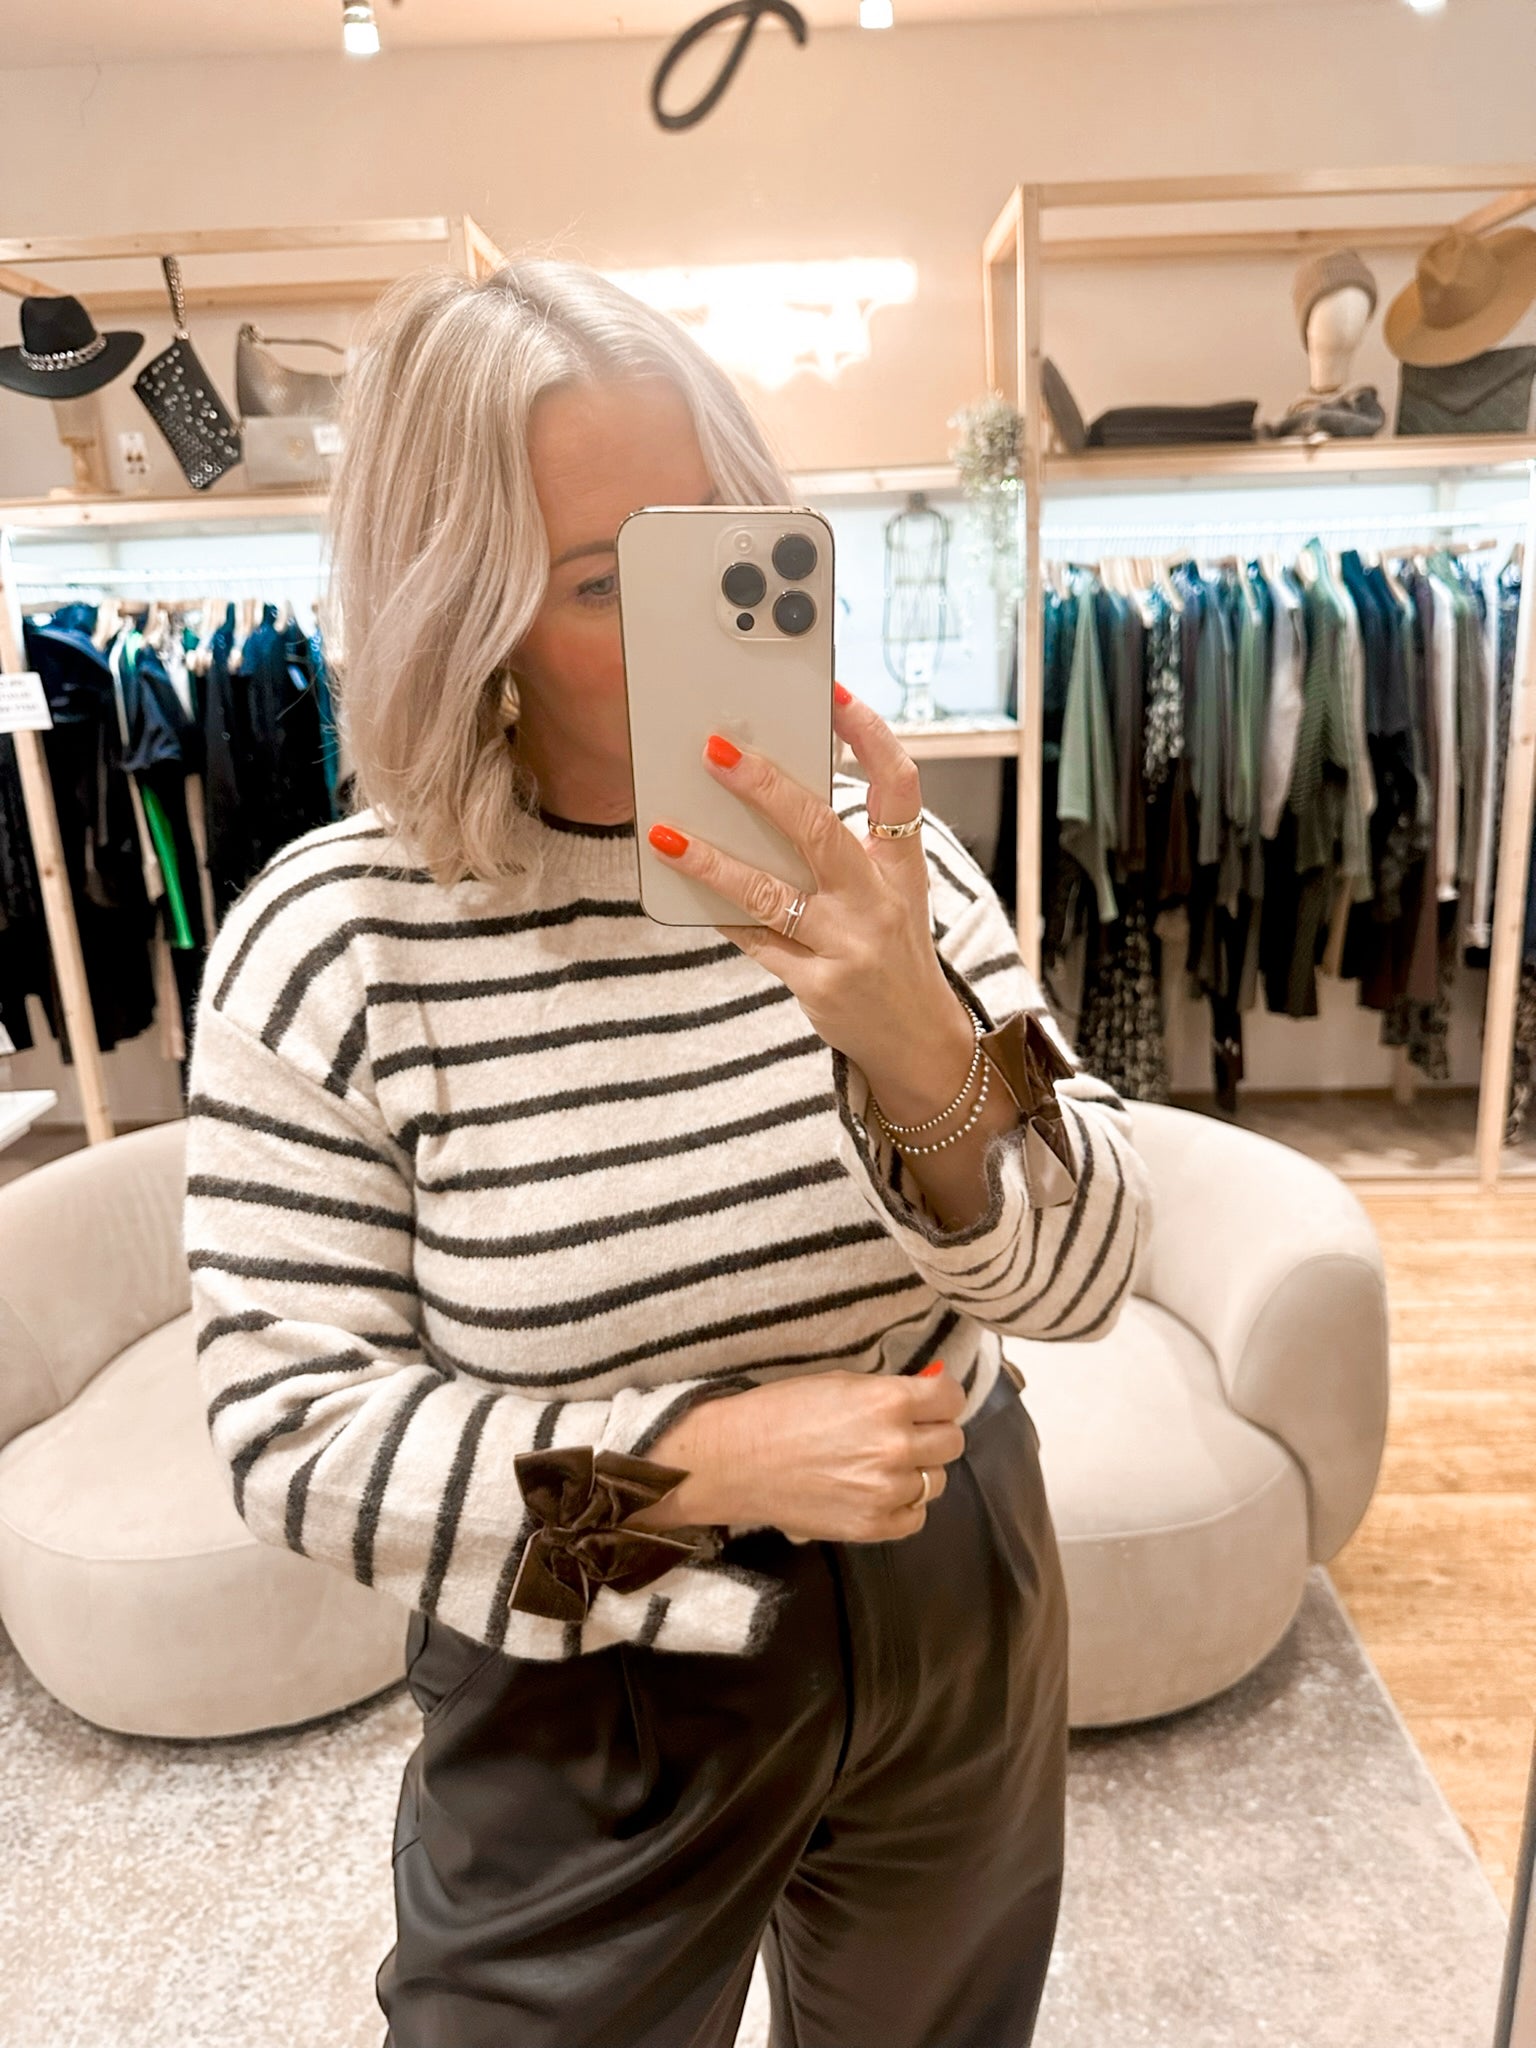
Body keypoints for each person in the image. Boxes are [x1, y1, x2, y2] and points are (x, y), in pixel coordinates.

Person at [184, 257, 1153, 2048]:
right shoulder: (340, 946)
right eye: (594, 581)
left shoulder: (896, 874)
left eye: (715, 545)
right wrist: (693, 1467)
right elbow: (288, 1429)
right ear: (462, 609)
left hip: (952, 1592)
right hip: (588, 1633)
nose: (692, 624)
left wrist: (921, 1043)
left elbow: (1092, 1271)